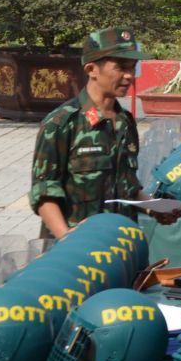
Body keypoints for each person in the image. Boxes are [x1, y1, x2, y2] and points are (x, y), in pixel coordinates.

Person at [30, 27, 149, 239]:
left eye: (133, 67)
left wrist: (152, 207)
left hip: (120, 242)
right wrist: (67, 238)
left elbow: (127, 185)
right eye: (121, 67)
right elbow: (44, 192)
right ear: (92, 69)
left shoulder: (125, 122)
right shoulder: (62, 123)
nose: (129, 76)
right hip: (77, 247)